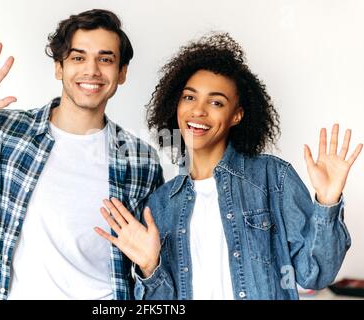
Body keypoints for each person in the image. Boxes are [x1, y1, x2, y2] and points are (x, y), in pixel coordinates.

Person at [0, 9, 163, 300]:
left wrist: (151, 267)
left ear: (121, 73)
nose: (92, 70)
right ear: (59, 67)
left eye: (105, 59)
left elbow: (152, 266)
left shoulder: (140, 160)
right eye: (78, 57)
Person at [95, 33, 362, 300]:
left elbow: (314, 275)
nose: (198, 111)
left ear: (237, 115)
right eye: (189, 97)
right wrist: (149, 267)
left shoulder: (272, 178)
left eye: (216, 102)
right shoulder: (161, 204)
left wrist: (327, 202)